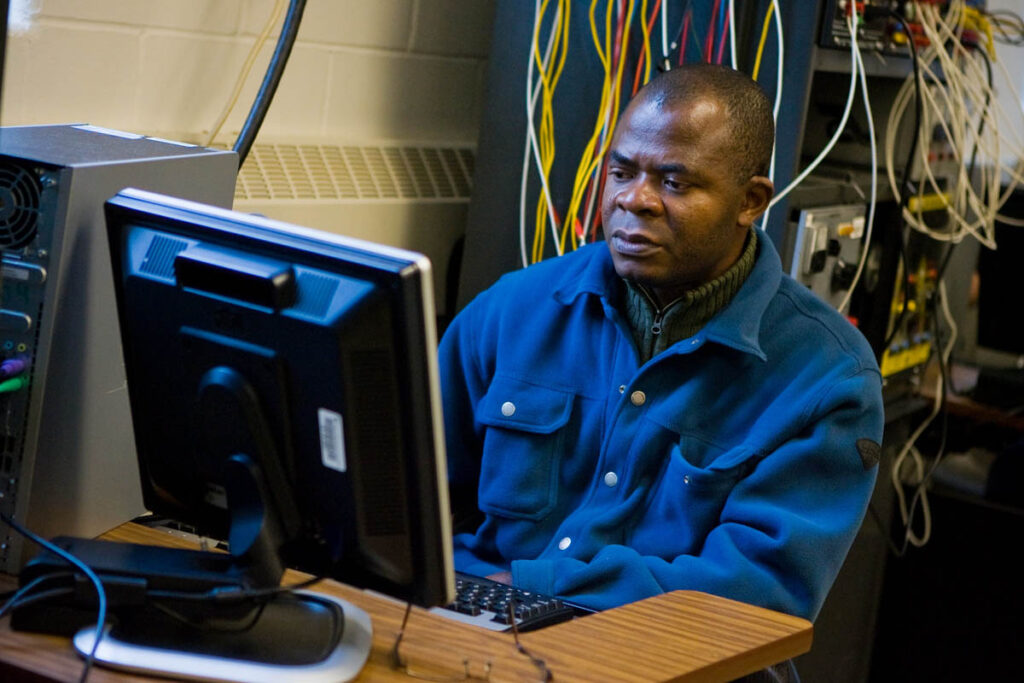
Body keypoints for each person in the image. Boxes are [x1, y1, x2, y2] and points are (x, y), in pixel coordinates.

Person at [438, 63, 883, 624]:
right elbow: (407, 498)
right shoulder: (512, 311)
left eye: (673, 183)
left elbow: (760, 592)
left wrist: (533, 588)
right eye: (621, 172)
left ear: (750, 201)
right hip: (479, 628)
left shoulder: (827, 377)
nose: (634, 200)